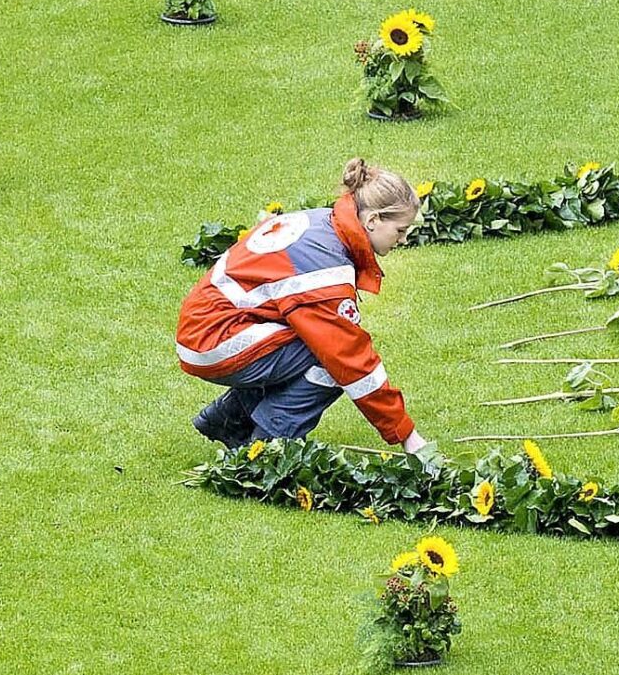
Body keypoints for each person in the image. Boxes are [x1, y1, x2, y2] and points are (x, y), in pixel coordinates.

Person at [176, 158, 439, 464]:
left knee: (319, 344)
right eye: (400, 230)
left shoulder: (323, 222)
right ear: (373, 221)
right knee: (332, 359)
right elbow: (350, 360)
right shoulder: (324, 266)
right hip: (216, 340)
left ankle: (230, 418)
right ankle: (270, 445)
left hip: (207, 328)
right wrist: (407, 436)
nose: (404, 239)